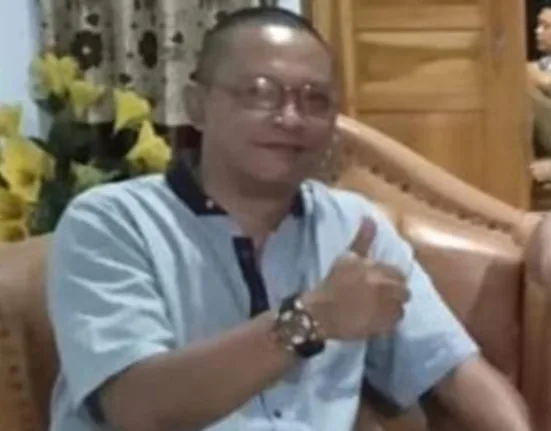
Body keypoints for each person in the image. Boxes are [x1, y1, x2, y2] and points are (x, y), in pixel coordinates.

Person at [47, 7, 532, 431]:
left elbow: (452, 369)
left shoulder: (353, 227)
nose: (291, 118)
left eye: (315, 99)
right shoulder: (111, 222)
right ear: (197, 106)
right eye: (261, 92)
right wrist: (312, 319)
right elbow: (136, 408)